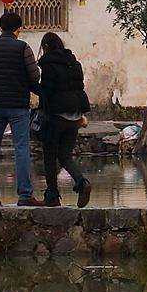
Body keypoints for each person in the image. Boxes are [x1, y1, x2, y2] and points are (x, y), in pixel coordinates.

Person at [0, 10, 38, 206]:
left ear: (1, 27)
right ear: (18, 29)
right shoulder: (23, 48)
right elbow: (34, 76)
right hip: (18, 105)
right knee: (21, 149)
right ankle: (25, 195)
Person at [35, 32, 92, 209]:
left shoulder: (49, 65)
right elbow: (79, 86)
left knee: (49, 157)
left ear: (45, 47)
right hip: (74, 114)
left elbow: (47, 91)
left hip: (56, 116)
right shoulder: (74, 63)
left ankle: (52, 196)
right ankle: (81, 182)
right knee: (65, 155)